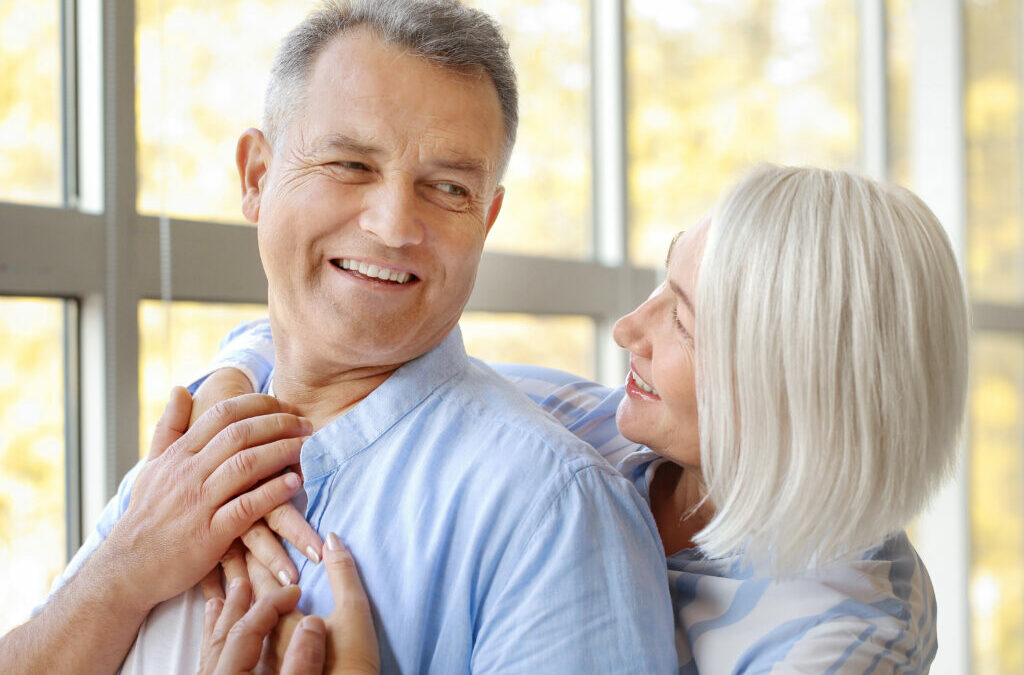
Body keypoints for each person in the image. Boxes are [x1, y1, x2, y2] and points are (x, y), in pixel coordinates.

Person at [0, 1, 676, 673]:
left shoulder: (554, 514)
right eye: (350, 165)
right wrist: (118, 571)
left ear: (488, 218)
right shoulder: (188, 456)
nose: (393, 225)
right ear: (256, 177)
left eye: (446, 187)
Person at [200, 164, 967, 672]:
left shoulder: (847, 635)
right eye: (661, 285)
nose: (630, 328)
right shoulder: (571, 423)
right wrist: (229, 383)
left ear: (796, 389)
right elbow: (341, 342)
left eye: (685, 324)